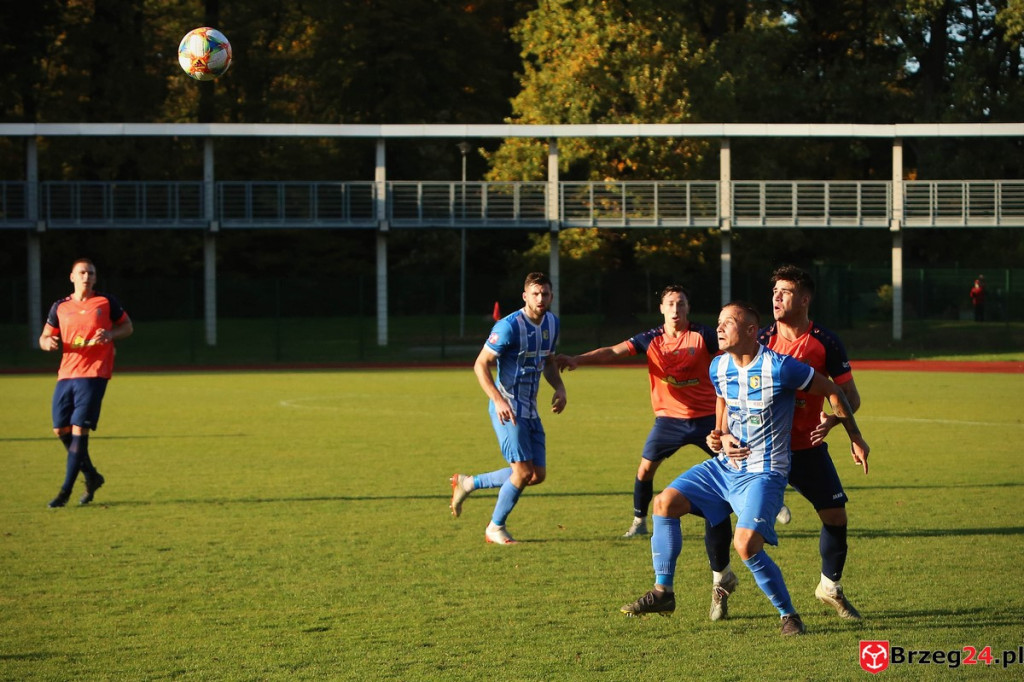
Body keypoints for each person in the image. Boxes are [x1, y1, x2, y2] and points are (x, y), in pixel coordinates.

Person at [619, 301, 868, 636]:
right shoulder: (718, 366)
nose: (719, 328)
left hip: (765, 472)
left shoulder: (781, 367)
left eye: (729, 322)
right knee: (664, 503)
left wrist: (854, 436)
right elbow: (722, 399)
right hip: (725, 467)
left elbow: (833, 390)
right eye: (719, 321)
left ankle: (788, 616)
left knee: (746, 544)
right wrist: (720, 434)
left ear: (751, 330)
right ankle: (663, 592)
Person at [738, 264, 867, 620]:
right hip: (764, 451)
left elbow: (850, 397)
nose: (776, 297)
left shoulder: (825, 341)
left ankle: (829, 586)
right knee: (740, 529)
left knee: (836, 517)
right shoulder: (759, 340)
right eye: (774, 291)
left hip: (807, 448)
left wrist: (835, 421)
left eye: (786, 292)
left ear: (805, 299)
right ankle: (722, 580)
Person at [448, 272, 567, 544]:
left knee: (536, 475)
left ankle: (468, 483)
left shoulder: (552, 323)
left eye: (545, 294)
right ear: (525, 296)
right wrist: (498, 400)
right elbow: (480, 364)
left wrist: (559, 387)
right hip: (508, 408)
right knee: (523, 472)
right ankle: (495, 528)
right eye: (535, 294)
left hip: (530, 409)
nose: (540, 298)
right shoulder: (508, 326)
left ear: (551, 296)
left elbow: (548, 362)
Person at [39, 258, 133, 508]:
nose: (86, 277)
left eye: (90, 273)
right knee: (60, 429)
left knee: (80, 429)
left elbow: (128, 327)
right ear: (72, 277)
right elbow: (45, 336)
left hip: (94, 374)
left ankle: (65, 492)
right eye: (81, 272)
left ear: (95, 278)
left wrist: (111, 334)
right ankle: (91, 475)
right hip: (66, 374)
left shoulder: (106, 302)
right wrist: (47, 342)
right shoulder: (60, 307)